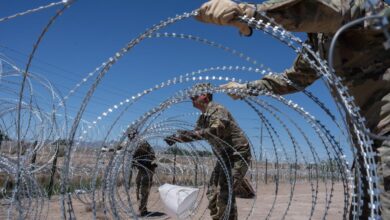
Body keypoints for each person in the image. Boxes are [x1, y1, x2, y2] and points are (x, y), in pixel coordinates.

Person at [196, 0, 390, 219]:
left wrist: (250, 14)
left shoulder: (360, 7)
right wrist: (246, 88)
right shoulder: (319, 43)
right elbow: (292, 79)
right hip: (367, 142)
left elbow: (326, 12)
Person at [164, 83, 252, 220]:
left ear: (204, 95)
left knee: (223, 192)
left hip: (236, 155)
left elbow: (216, 130)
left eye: (194, 95)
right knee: (212, 192)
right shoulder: (203, 118)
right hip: (224, 157)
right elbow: (195, 134)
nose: (191, 98)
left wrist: (190, 135)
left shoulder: (217, 109)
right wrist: (177, 138)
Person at [132, 140, 157, 216]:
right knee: (139, 189)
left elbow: (150, 159)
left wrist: (136, 160)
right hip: (142, 170)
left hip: (147, 171)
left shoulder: (143, 143)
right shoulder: (136, 145)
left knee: (143, 191)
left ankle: (142, 209)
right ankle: (142, 208)